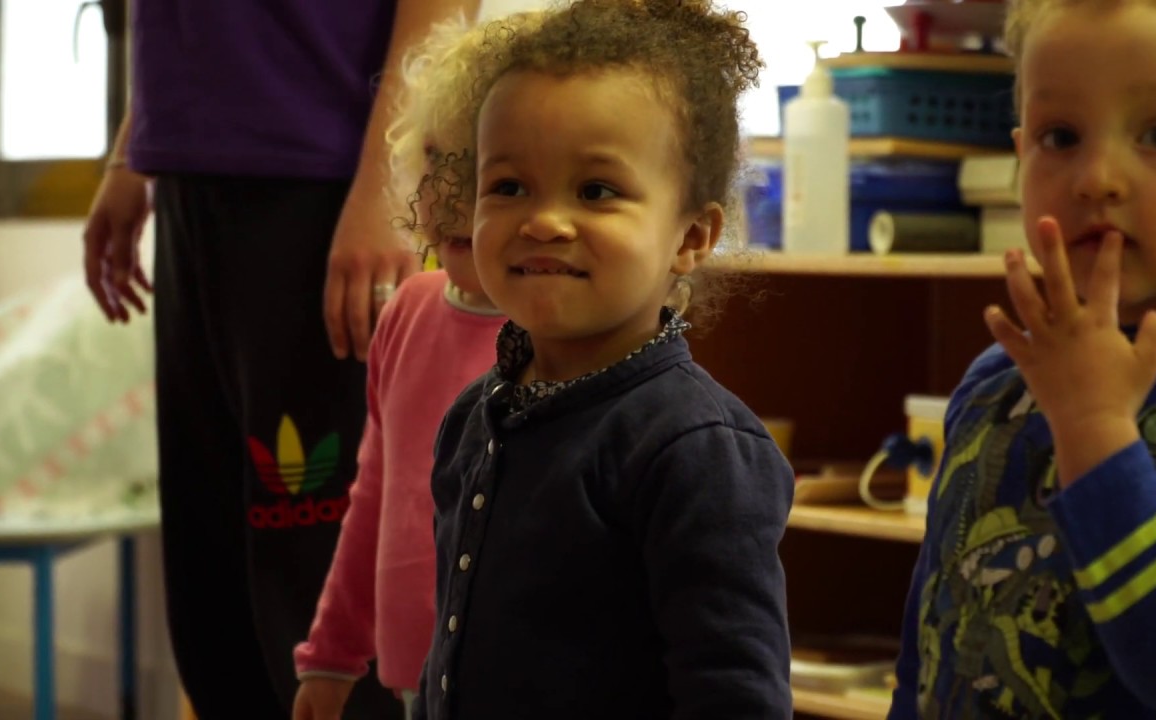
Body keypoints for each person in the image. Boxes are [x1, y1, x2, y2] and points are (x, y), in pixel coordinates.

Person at [80, 0, 478, 717]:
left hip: (319, 180)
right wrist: (130, 147)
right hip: (187, 178)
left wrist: (392, 177)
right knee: (214, 584)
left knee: (313, 590)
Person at [889, 0, 1156, 717]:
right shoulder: (995, 379)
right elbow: (934, 636)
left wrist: (1095, 428)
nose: (1097, 177)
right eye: (1060, 136)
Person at [414, 1, 794, 718]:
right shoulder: (476, 414)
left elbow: (733, 693)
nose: (544, 221)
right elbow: (449, 654)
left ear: (691, 235)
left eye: (596, 191)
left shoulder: (697, 448)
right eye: (509, 186)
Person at [289, 14, 538, 720]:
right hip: (413, 682)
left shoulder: (564, 335)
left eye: (488, 168)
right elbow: (374, 494)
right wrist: (331, 655)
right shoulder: (409, 312)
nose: (450, 196)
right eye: (435, 160)